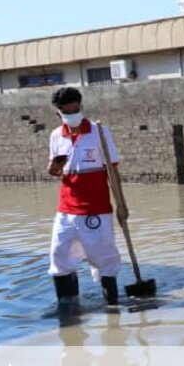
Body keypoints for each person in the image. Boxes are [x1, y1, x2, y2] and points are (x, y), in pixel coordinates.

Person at [46, 87, 124, 309]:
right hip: (66, 210)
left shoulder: (99, 132)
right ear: (58, 113)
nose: (73, 115)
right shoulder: (56, 136)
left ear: (81, 107)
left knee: (105, 259)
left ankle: (112, 309)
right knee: (59, 256)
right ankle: (68, 310)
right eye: (67, 112)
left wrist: (121, 206)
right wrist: (54, 167)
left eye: (76, 110)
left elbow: (113, 171)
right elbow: (54, 172)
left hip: (96, 209)